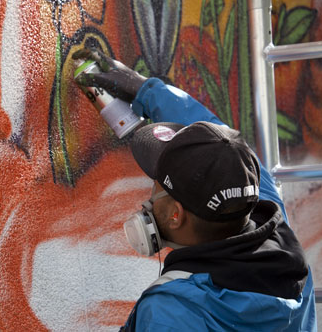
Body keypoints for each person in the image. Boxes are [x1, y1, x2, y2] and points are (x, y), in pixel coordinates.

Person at [73, 48, 317, 331]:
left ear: (175, 216)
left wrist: (148, 90)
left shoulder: (169, 313)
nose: (149, 198)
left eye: (157, 184)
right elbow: (224, 144)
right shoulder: (280, 240)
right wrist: (148, 91)